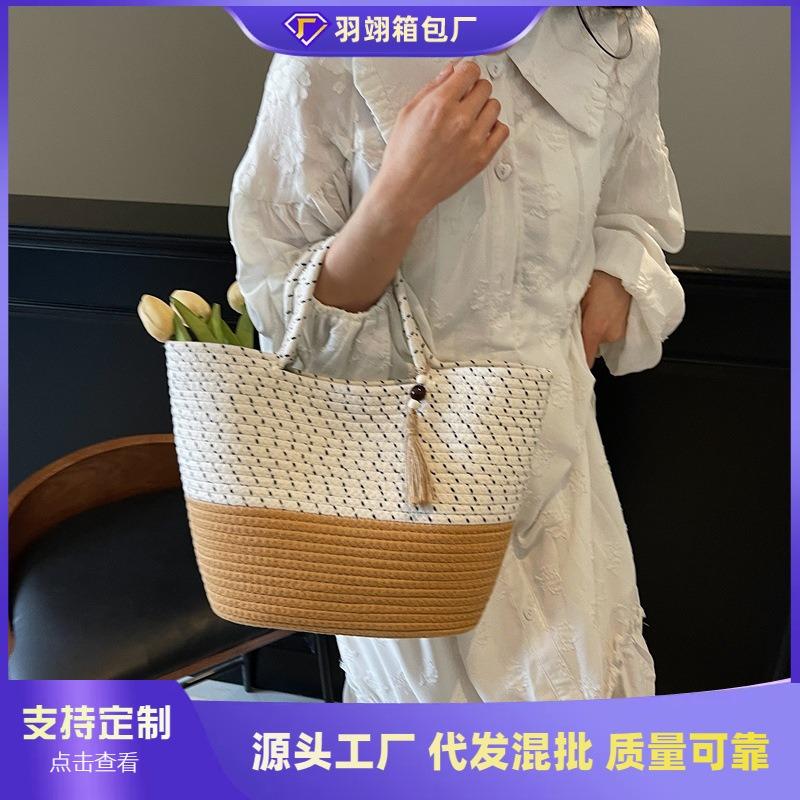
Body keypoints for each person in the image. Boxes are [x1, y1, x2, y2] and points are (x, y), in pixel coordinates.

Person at [227, 6, 685, 702]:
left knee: (588, 712)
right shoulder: (337, 43)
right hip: (398, 477)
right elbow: (281, 307)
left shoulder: (613, 31)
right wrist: (400, 194)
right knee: (431, 733)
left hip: (560, 467)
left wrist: (607, 289)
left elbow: (635, 209)